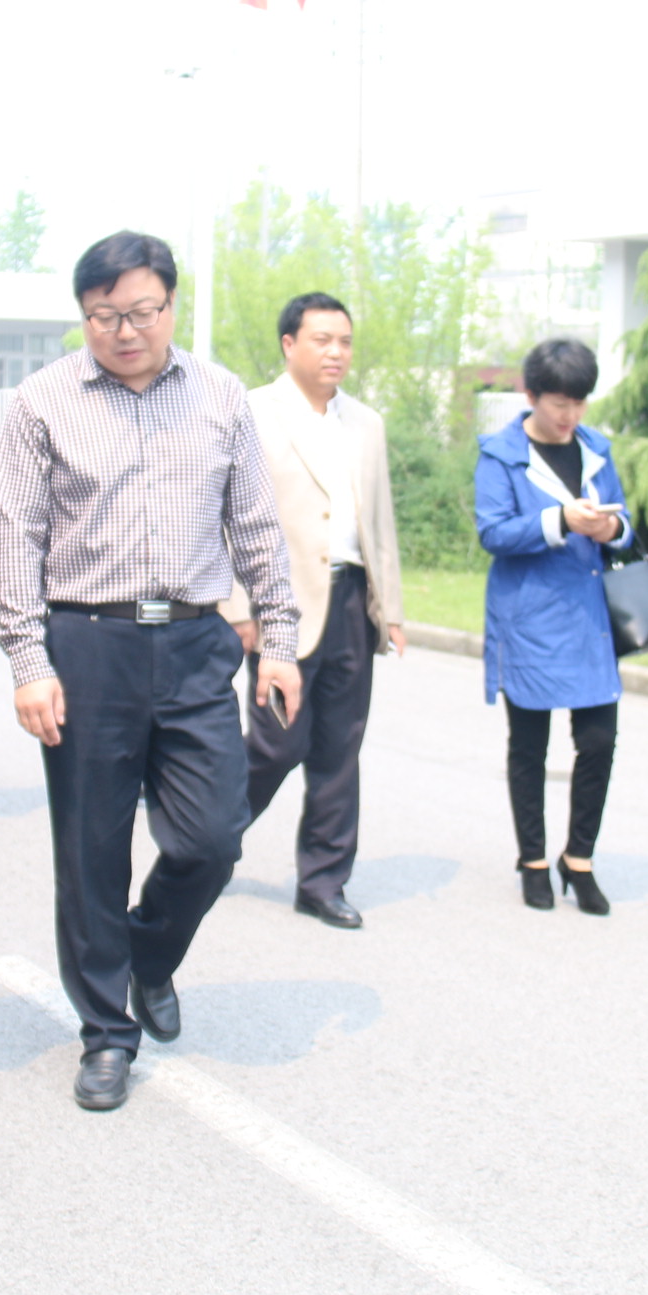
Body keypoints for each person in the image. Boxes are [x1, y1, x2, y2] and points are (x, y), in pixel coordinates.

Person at [0, 231, 300, 1112]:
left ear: (169, 304)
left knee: (213, 837)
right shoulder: (42, 403)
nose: (124, 332)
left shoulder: (220, 395)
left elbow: (255, 524)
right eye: (103, 316)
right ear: (82, 315)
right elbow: (15, 538)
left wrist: (279, 639)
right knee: (91, 850)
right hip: (88, 645)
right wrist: (28, 661)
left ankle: (149, 954)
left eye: (140, 313)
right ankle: (106, 1033)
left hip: (197, 641)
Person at [220, 292, 406, 929]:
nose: (336, 352)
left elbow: (380, 521)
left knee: (339, 747)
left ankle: (324, 881)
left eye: (345, 341)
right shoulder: (251, 413)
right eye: (322, 340)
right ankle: (209, 838)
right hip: (282, 605)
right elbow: (225, 515)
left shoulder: (366, 423)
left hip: (352, 600)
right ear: (288, 344)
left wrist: (391, 608)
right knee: (277, 743)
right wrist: (240, 607)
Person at [475, 337, 634, 917]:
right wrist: (558, 520)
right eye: (559, 403)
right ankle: (534, 860)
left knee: (599, 742)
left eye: (579, 403)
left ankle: (580, 858)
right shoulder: (501, 455)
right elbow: (493, 532)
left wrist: (611, 529)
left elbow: (624, 521)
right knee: (530, 747)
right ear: (532, 395)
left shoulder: (595, 449)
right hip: (530, 617)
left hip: (589, 618)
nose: (569, 415)